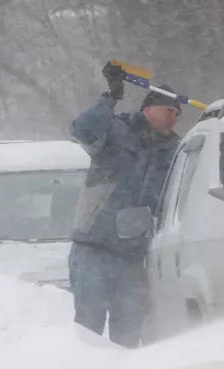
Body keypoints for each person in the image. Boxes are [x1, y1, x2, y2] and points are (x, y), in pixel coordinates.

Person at [68, 61, 181, 349]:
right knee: (88, 335)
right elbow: (82, 129)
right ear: (148, 108)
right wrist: (111, 96)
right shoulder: (116, 132)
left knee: (128, 337)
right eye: (169, 111)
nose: (174, 119)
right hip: (93, 249)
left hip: (133, 257)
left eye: (178, 115)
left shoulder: (174, 150)